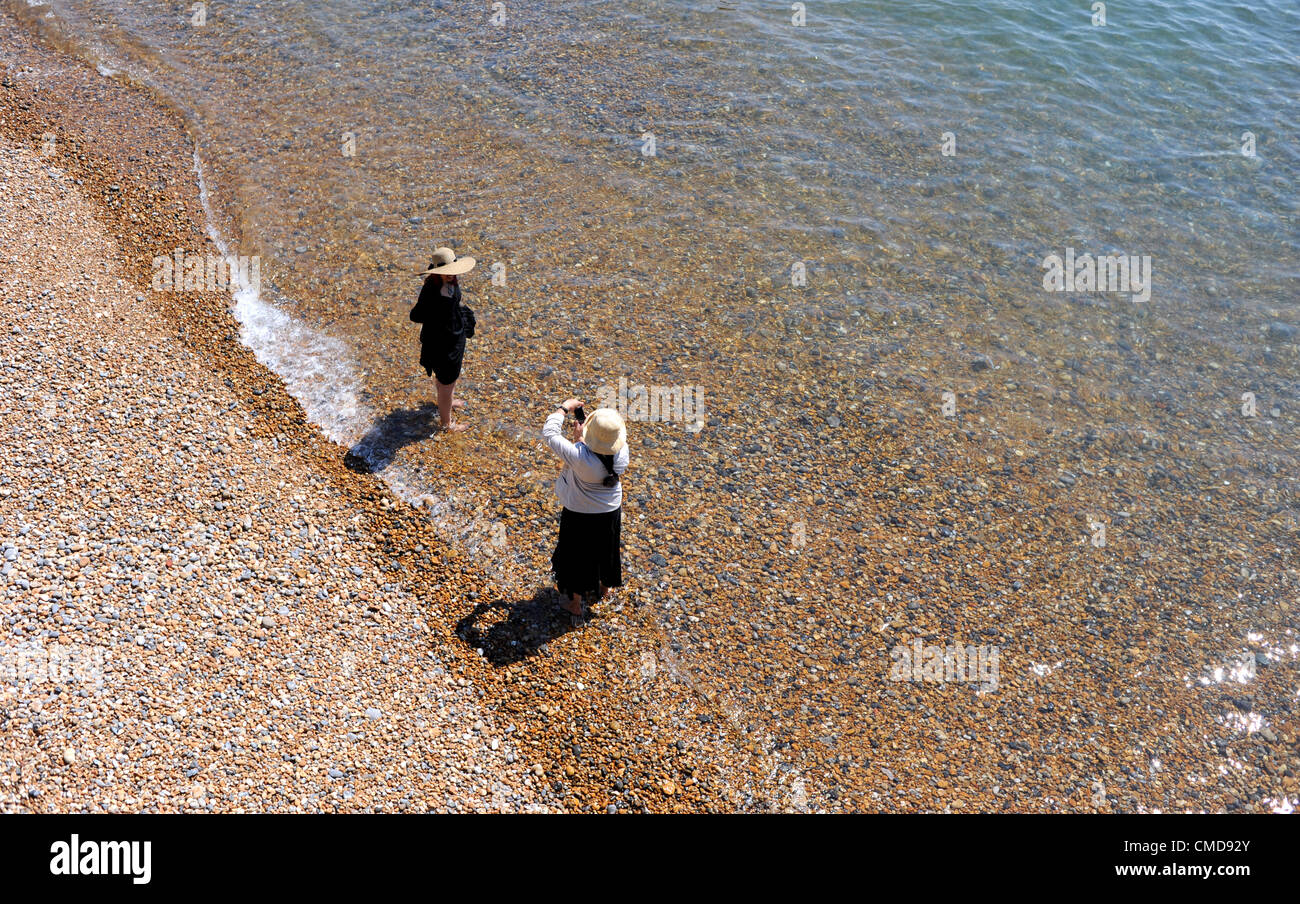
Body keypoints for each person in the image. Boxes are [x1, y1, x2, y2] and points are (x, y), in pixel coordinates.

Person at [543, 399, 628, 616]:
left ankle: (574, 604)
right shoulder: (622, 453)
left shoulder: (578, 456)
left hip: (580, 512)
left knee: (576, 556)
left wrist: (564, 408)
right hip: (610, 510)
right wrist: (583, 440)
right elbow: (601, 455)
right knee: (606, 549)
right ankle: (604, 588)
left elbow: (550, 433)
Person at [410, 246, 476, 432]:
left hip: (454, 338)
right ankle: (447, 424)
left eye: (452, 271)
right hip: (443, 344)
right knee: (448, 381)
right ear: (437, 272)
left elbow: (455, 302)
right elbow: (416, 315)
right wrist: (437, 314)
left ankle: (446, 401)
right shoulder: (432, 291)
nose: (451, 275)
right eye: (446, 272)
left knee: (447, 380)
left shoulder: (451, 281)